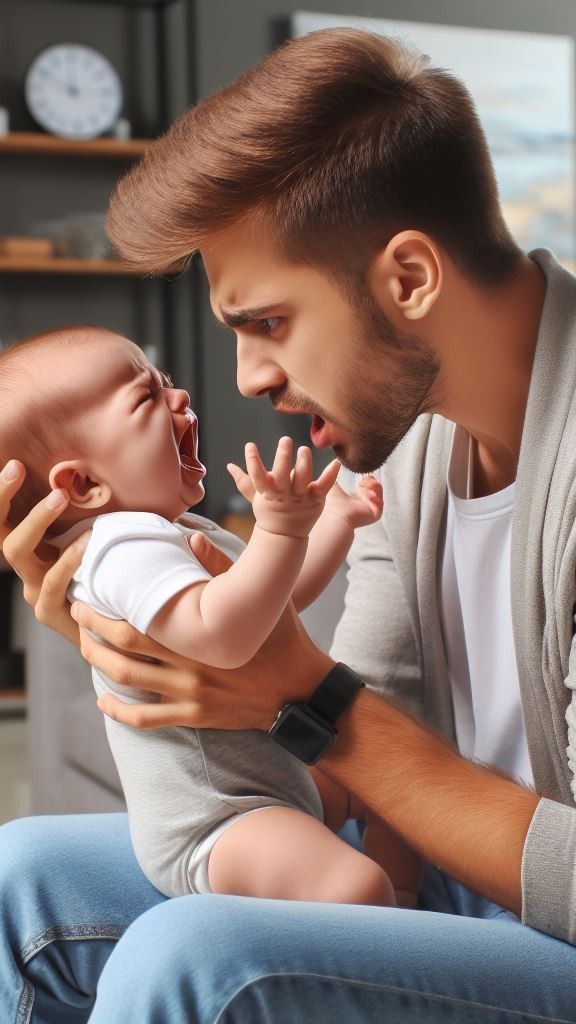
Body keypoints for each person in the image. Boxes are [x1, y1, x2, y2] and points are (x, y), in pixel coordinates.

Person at [1, 24, 576, 1024]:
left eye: (266, 323)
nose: (246, 379)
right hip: (432, 867)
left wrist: (297, 692)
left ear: (409, 278)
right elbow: (361, 715)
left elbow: (332, 711)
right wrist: (139, 648)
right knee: (21, 876)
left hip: (548, 925)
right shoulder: (409, 447)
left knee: (197, 957)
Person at [0, 325, 419, 909]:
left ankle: (405, 900)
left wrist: (334, 525)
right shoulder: (119, 549)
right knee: (354, 887)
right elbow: (223, 638)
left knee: (396, 796)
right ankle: (388, 921)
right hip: (217, 822)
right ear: (87, 484)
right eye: (146, 399)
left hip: (270, 786)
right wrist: (279, 528)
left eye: (166, 381)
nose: (180, 398)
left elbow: (278, 602)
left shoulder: (173, 531)